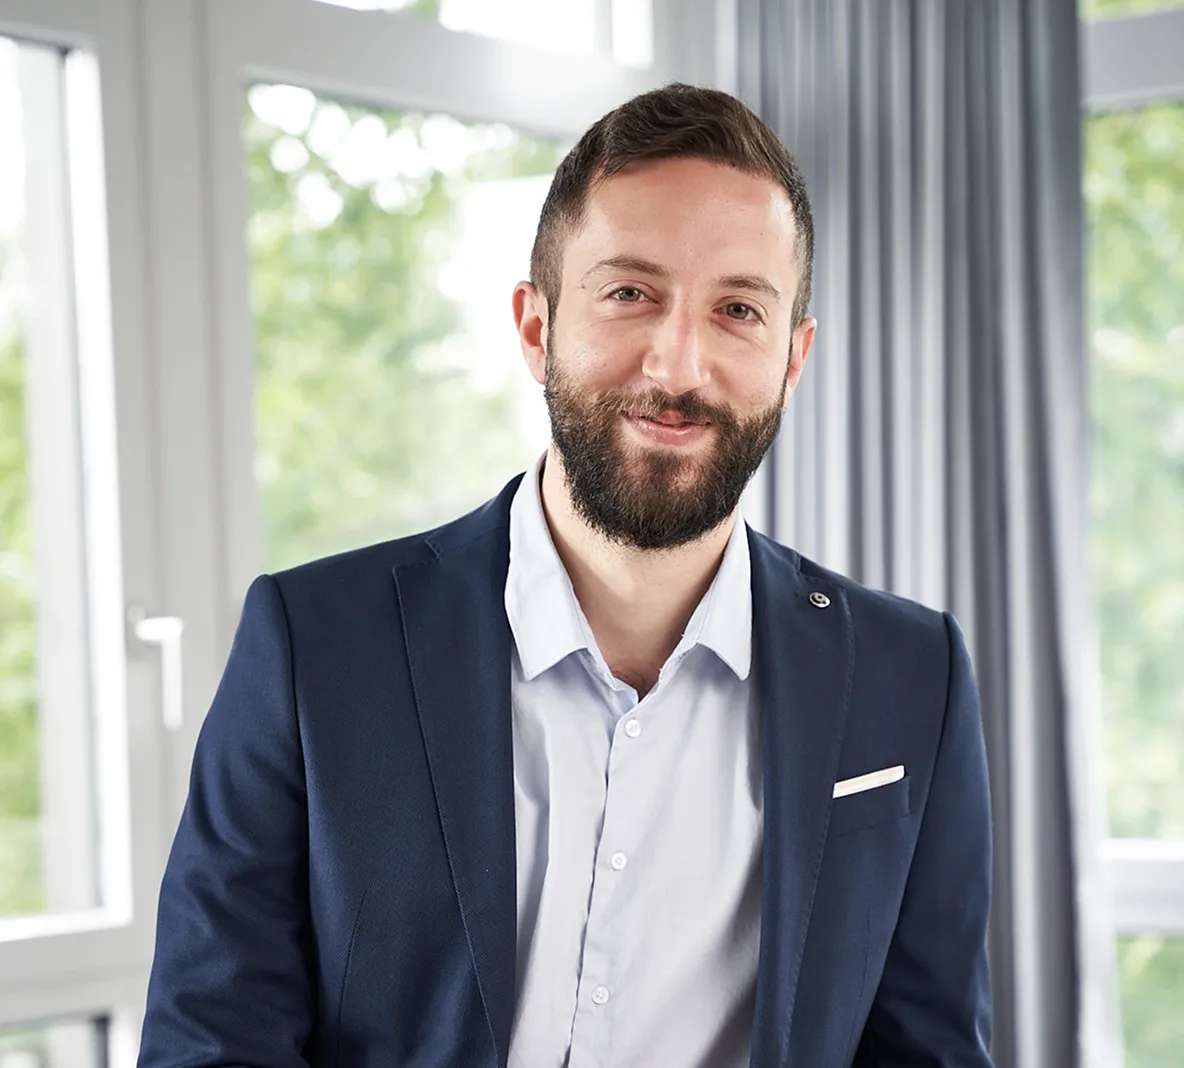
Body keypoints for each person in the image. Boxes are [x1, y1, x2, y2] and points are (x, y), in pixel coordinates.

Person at [138, 83, 994, 1068]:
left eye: (738, 310)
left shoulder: (909, 674)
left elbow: (926, 1048)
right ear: (536, 327)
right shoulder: (313, 644)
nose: (678, 363)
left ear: (792, 358)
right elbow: (212, 1042)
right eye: (630, 293)